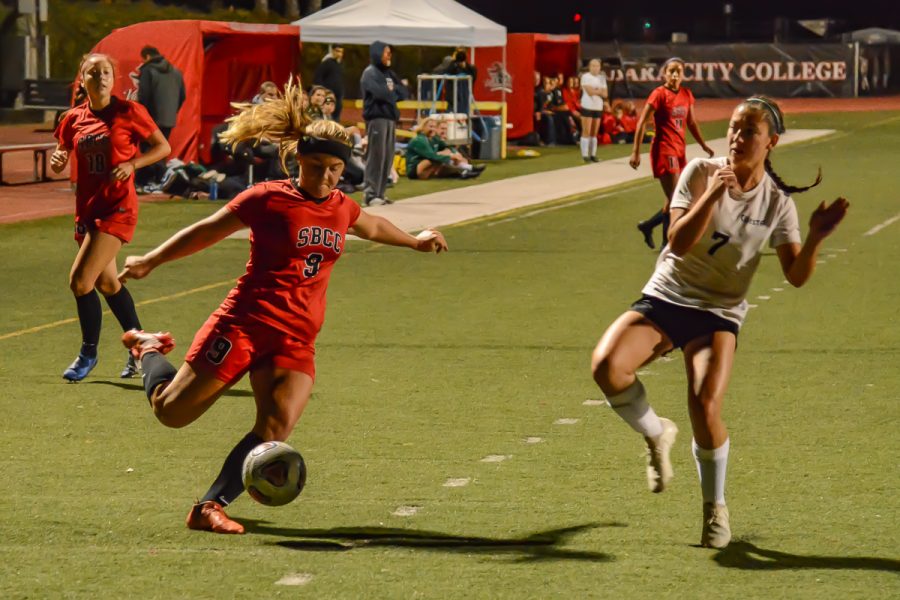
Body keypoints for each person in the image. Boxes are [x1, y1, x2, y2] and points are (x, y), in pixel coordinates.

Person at [115, 82, 448, 535]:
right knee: (171, 412)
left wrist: (415, 241)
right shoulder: (267, 198)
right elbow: (207, 229)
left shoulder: (341, 207)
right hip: (245, 324)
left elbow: (372, 225)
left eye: (335, 168)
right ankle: (149, 349)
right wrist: (152, 259)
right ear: (296, 160)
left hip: (297, 339)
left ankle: (208, 506)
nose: (327, 177)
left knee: (276, 425)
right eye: (317, 167)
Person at [590, 96, 848, 549]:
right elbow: (677, 242)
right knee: (606, 366)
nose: (736, 137)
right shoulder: (699, 172)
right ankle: (656, 433)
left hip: (718, 312)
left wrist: (818, 238)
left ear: (771, 142)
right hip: (668, 296)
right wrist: (714, 191)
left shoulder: (777, 204)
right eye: (733, 128)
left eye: (749, 131)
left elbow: (796, 276)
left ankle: (715, 509)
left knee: (705, 403)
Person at [50, 53, 171, 381]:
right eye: (93, 72)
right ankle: (143, 347)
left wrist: (133, 164)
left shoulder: (130, 112)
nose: (100, 77)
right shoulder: (73, 118)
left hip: (118, 208)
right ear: (83, 78)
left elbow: (163, 148)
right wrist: (57, 161)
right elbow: (61, 154)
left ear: (113, 77)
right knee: (106, 283)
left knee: (79, 281)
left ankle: (88, 352)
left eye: (105, 71)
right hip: (87, 211)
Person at [631, 57, 714, 249]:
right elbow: (642, 121)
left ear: (683, 74)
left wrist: (703, 144)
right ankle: (666, 244)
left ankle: (648, 226)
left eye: (678, 71)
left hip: (679, 149)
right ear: (665, 74)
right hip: (664, 149)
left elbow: (691, 123)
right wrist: (636, 151)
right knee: (679, 197)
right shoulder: (659, 94)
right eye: (671, 71)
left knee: (672, 199)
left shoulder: (686, 94)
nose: (675, 75)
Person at [360, 41, 408, 207]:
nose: (389, 55)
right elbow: (381, 94)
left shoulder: (388, 73)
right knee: (376, 156)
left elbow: (404, 92)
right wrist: (393, 91)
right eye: (386, 52)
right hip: (377, 119)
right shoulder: (370, 73)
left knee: (387, 157)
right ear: (377, 53)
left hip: (389, 119)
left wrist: (392, 91)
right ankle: (370, 195)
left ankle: (380, 194)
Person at [136, 46, 185, 186]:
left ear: (146, 57)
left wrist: (141, 117)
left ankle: (144, 181)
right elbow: (183, 96)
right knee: (161, 150)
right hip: (168, 119)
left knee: (148, 150)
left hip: (150, 119)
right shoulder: (176, 72)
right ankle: (160, 180)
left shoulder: (147, 70)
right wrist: (172, 111)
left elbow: (144, 97)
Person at [405, 116, 480, 180]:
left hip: (427, 164)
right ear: (423, 127)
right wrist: (450, 157)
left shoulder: (433, 138)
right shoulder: (419, 140)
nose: (433, 129)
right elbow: (431, 156)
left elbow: (448, 147)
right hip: (414, 169)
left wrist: (455, 153)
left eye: (434, 127)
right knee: (438, 157)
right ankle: (467, 168)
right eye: (430, 126)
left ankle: (463, 172)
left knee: (444, 155)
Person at [579, 58, 608, 162]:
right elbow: (589, 92)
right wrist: (599, 90)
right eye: (593, 66)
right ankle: (585, 155)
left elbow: (605, 94)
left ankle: (593, 154)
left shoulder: (602, 78)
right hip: (587, 106)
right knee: (586, 131)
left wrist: (597, 91)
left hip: (598, 107)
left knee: (594, 132)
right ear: (589, 67)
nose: (595, 68)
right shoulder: (585, 77)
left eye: (597, 66)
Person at [313, 44, 345, 121]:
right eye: (337, 51)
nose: (339, 54)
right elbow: (317, 77)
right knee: (327, 117)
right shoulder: (326, 63)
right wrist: (323, 92)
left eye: (341, 51)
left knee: (336, 119)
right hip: (328, 97)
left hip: (338, 98)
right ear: (333, 51)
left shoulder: (339, 64)